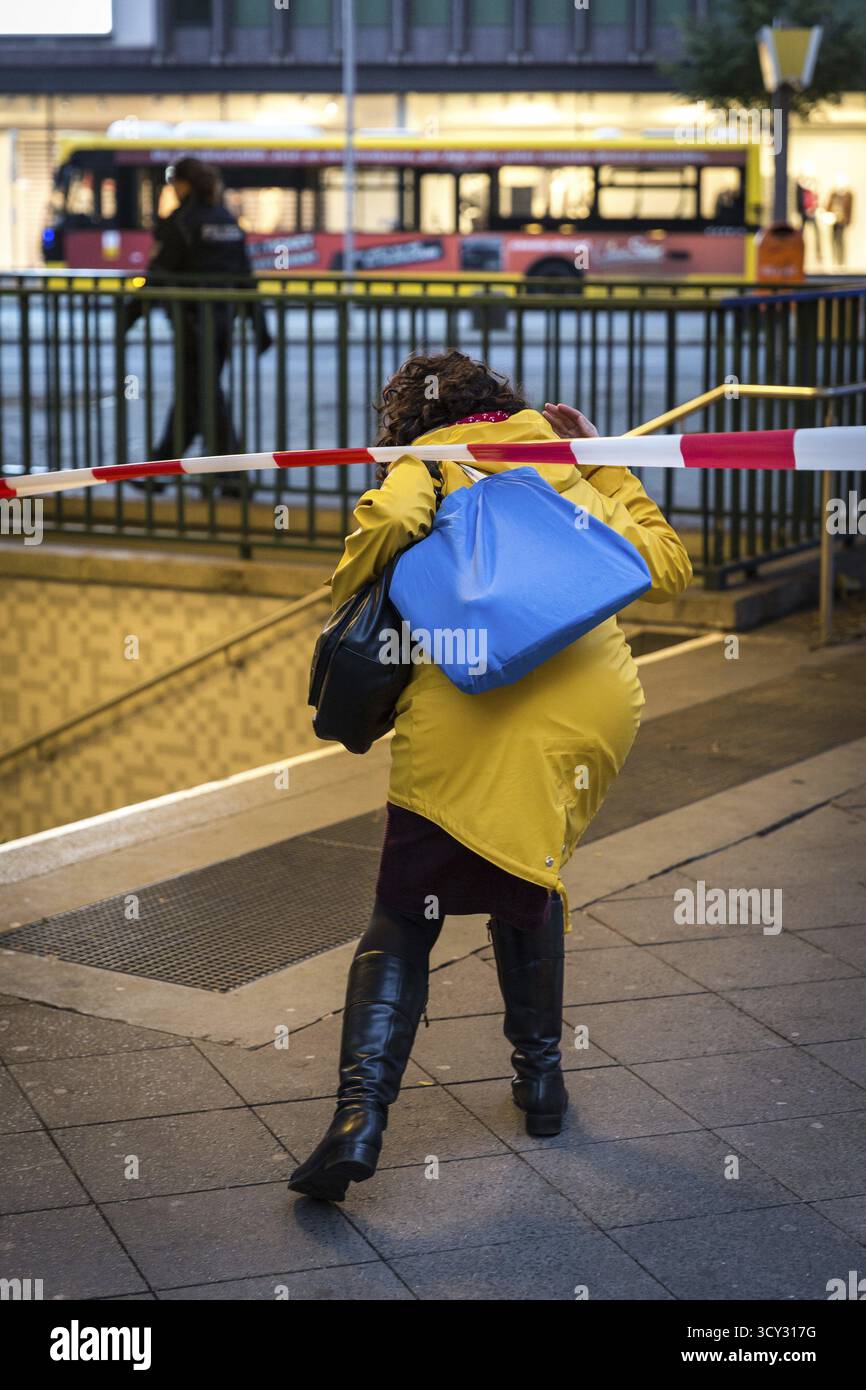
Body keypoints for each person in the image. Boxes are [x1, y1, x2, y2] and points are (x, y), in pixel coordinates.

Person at [288, 350, 692, 1203]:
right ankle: (540, 1086)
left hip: (473, 710)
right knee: (526, 870)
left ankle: (359, 1120)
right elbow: (666, 566)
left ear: (411, 421)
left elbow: (392, 525)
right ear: (498, 400)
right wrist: (605, 458)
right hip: (592, 711)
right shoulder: (561, 456)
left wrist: (352, 591)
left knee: (402, 914)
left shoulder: (428, 460)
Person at [125, 157, 271, 495]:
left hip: (191, 327)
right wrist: (259, 324)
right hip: (222, 327)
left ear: (184, 184)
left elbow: (158, 274)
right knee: (197, 399)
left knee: (202, 398)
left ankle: (230, 477)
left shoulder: (183, 222)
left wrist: (128, 316)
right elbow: (245, 276)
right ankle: (173, 471)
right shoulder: (227, 221)